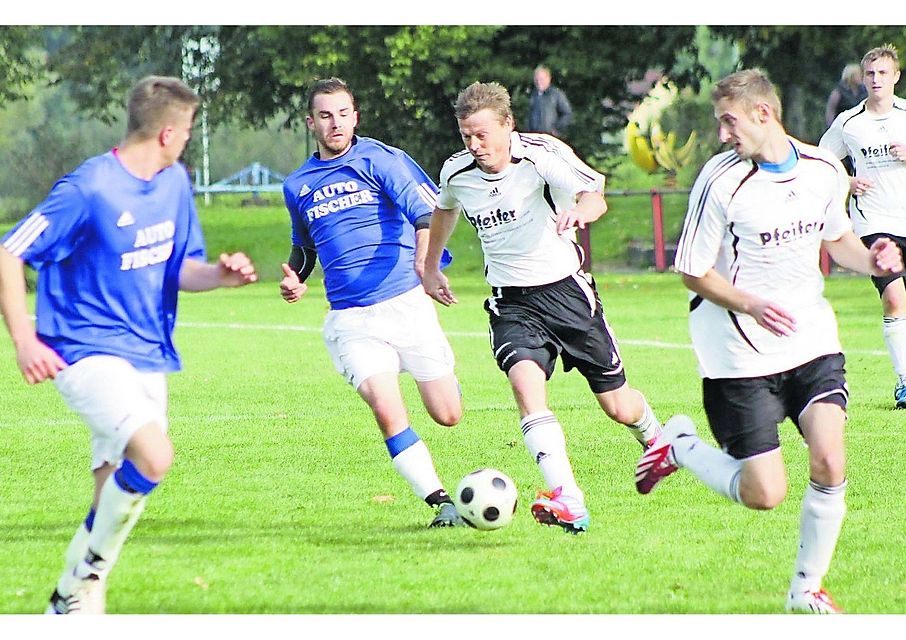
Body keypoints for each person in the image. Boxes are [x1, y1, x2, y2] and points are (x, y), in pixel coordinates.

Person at [633, 69, 903, 613]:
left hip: (810, 339)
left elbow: (839, 240)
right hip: (736, 351)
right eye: (719, 124)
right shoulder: (721, 180)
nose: (723, 134)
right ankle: (679, 444)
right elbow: (691, 270)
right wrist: (751, 302)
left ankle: (805, 589)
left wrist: (872, 259)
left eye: (729, 122)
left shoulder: (824, 169)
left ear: (764, 114)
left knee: (829, 459)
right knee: (766, 494)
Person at [0, 76, 259, 614]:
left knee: (113, 487)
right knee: (154, 455)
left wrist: (221, 275)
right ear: (167, 132)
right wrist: (24, 340)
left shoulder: (175, 183)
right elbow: (9, 252)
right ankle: (77, 584)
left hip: (147, 351)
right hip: (82, 347)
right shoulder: (89, 187)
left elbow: (180, 267)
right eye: (187, 130)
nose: (188, 139)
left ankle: (78, 601)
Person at [422, 81, 662, 535]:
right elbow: (445, 209)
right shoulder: (456, 172)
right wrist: (430, 266)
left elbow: (594, 194)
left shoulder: (541, 154)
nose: (475, 146)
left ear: (507, 126)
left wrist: (580, 214)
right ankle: (569, 497)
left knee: (618, 406)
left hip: (567, 294)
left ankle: (656, 438)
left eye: (482, 135)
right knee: (526, 386)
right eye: (466, 136)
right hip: (512, 302)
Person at [279, 77, 464, 528]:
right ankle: (440, 502)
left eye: (343, 113)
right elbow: (304, 249)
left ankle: (438, 378)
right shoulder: (297, 185)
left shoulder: (381, 159)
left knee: (448, 414)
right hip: (351, 318)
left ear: (355, 116)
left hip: (405, 303)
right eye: (325, 115)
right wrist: (295, 279)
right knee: (385, 407)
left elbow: (428, 213)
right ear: (311, 123)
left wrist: (426, 261)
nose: (335, 123)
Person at [819, 44, 906, 409]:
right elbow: (823, 162)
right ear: (863, 78)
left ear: (896, 77)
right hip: (874, 222)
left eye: (883, 73)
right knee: (892, 298)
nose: (876, 79)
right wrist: (847, 181)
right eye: (870, 73)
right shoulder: (848, 123)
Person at [527, 65, 573, 138]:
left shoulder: (556, 94)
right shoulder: (533, 95)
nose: (538, 82)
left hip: (550, 137)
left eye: (541, 79)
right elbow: (529, 117)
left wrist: (556, 129)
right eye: (536, 79)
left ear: (548, 79)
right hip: (534, 138)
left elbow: (567, 114)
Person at [824, 63, 867, 128]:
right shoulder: (838, 92)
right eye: (858, 75)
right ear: (851, 76)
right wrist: (832, 128)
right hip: (842, 127)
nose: (861, 77)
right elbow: (830, 111)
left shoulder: (864, 91)